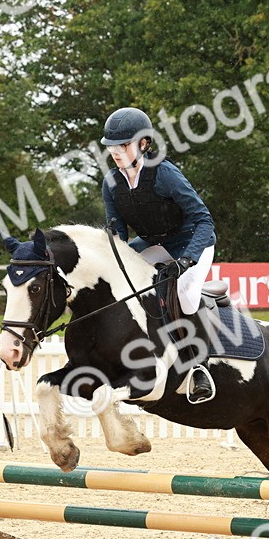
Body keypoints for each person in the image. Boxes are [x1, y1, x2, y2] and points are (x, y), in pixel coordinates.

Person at [101, 106, 218, 403]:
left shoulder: (164, 174)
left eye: (123, 145)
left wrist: (188, 259)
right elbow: (118, 232)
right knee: (120, 283)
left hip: (193, 241)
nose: (115, 151)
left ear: (143, 143)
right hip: (154, 244)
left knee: (185, 292)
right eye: (112, 146)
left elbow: (204, 220)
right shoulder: (111, 182)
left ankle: (200, 368)